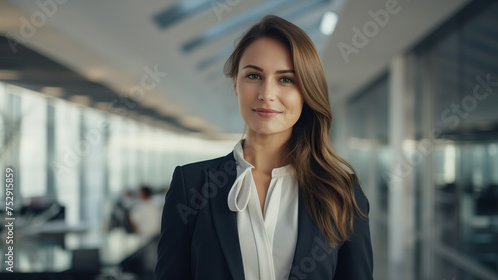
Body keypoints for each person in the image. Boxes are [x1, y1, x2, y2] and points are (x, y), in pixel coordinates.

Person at [155, 15, 373, 280]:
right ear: (235, 83)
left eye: (286, 79)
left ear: (306, 91)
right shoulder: (190, 186)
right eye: (254, 75)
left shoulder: (342, 192)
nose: (266, 93)